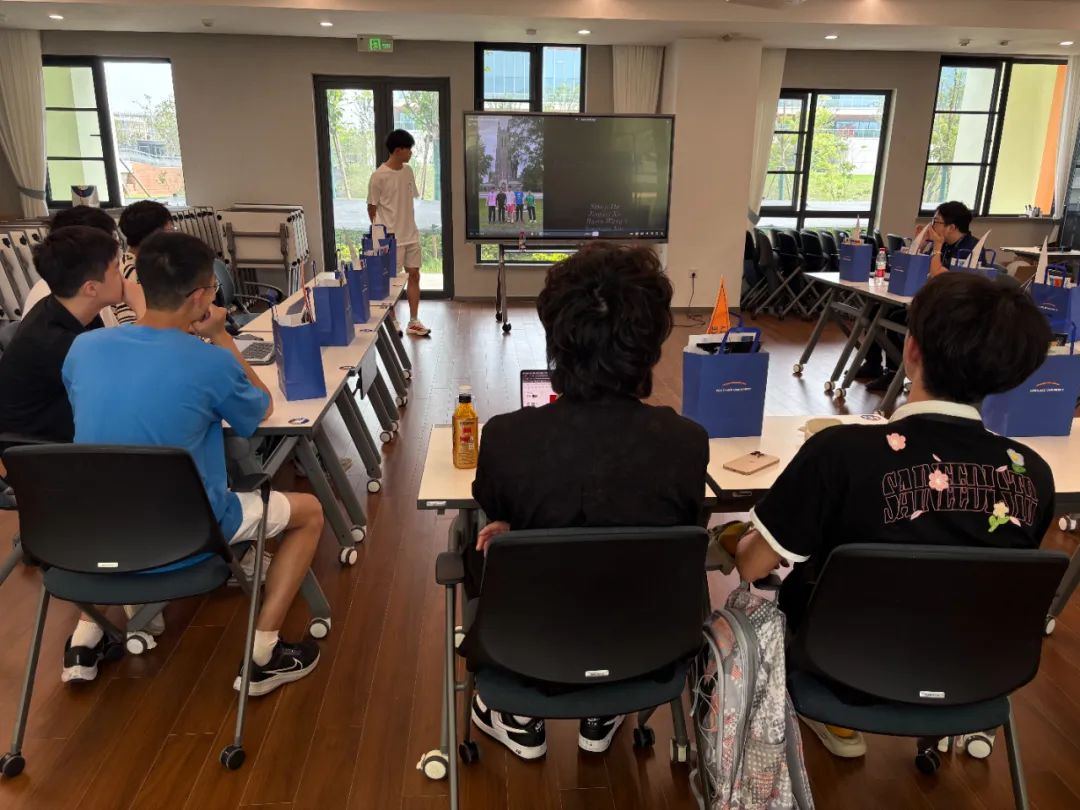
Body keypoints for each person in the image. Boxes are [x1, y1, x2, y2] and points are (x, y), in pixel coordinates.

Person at [724, 272, 1055, 760]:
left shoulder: (839, 452)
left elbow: (753, 565)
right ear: (1012, 371)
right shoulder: (1033, 474)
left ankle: (834, 720)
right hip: (976, 672)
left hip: (841, 668)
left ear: (912, 349)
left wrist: (738, 540)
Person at [468, 243, 709, 760]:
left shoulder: (507, 439)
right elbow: (682, 527)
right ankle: (605, 707)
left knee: (478, 541)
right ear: (650, 347)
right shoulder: (686, 443)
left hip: (526, 646)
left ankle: (519, 715)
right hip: (642, 646)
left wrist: (517, 530)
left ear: (557, 338)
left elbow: (494, 505)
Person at [62, 231, 325, 694]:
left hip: (89, 535)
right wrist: (220, 335)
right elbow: (261, 408)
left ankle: (84, 642)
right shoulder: (207, 362)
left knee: (114, 489)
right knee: (310, 513)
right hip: (187, 532)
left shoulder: (84, 349)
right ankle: (264, 653)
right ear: (201, 296)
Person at [0, 226, 124, 443]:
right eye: (116, 269)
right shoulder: (57, 342)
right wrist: (142, 306)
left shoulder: (63, 308)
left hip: (66, 434)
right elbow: (128, 385)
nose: (123, 277)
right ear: (91, 288)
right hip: (43, 452)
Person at [859, 201, 981, 392]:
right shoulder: (944, 244)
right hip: (929, 301)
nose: (931, 225)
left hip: (952, 313)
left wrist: (937, 246)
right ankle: (873, 363)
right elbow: (914, 268)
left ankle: (894, 374)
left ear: (952, 227)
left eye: (936, 221)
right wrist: (920, 244)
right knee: (874, 311)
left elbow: (940, 276)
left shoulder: (971, 249)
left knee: (896, 319)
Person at [20, 207, 140, 325]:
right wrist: (140, 304)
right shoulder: (80, 297)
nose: (118, 247)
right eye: (116, 268)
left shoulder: (64, 287)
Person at [367, 128, 431, 337]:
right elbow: (371, 208)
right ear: (397, 150)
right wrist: (380, 236)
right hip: (391, 239)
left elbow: (408, 199)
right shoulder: (378, 176)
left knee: (415, 275)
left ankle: (414, 321)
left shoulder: (408, 171)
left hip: (411, 234)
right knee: (391, 283)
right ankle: (392, 320)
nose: (411, 152)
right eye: (408, 149)